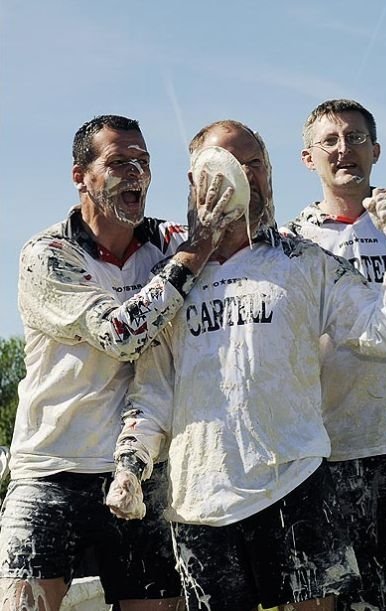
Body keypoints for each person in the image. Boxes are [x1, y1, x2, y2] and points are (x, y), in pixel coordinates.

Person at [106, 119, 386, 611]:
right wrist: (131, 464)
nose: (246, 176)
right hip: (200, 501)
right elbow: (153, 393)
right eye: (230, 164)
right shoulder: (169, 277)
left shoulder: (302, 261)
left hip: (294, 482)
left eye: (256, 163)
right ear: (196, 180)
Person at [0, 114, 238, 611]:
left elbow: (244, 250)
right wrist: (194, 254)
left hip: (143, 469)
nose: (135, 174)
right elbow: (120, 335)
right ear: (80, 175)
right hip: (50, 468)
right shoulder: (48, 254)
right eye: (118, 162)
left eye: (144, 163)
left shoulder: (167, 241)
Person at [284, 98, 386, 611]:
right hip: (345, 449)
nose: (344, 149)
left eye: (355, 138)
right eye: (329, 141)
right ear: (308, 158)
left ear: (375, 150)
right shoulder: (296, 242)